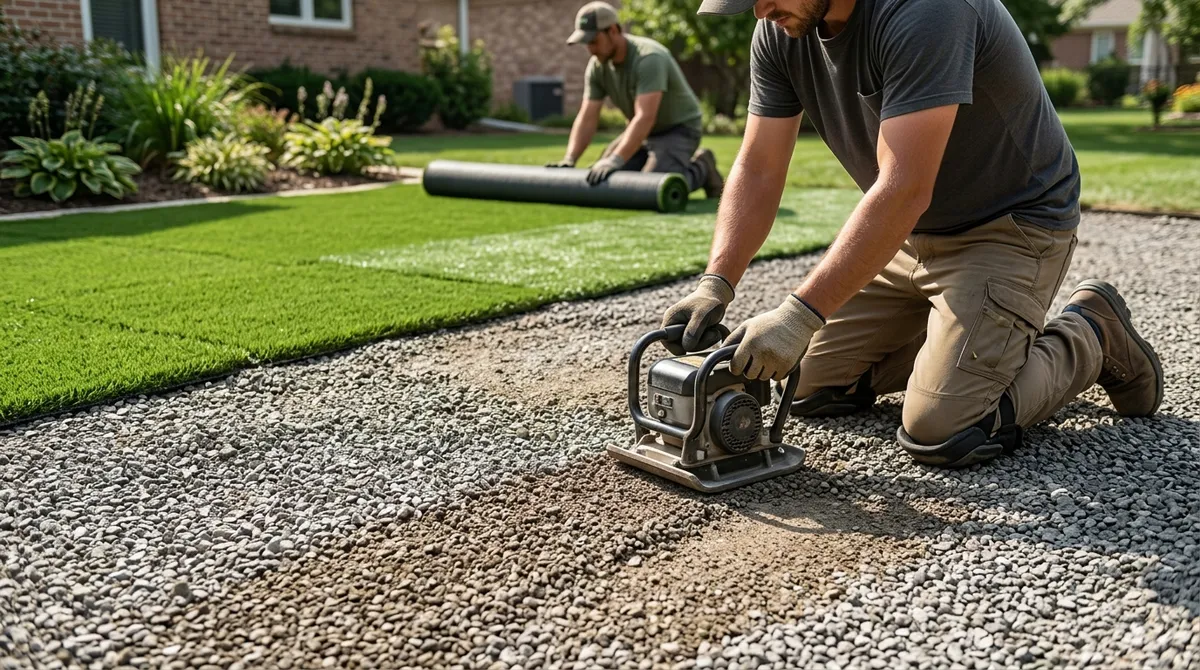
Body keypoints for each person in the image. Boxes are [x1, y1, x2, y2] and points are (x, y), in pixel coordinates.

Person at [661, 0, 1163, 467]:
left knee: (944, 427)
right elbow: (759, 168)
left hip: (1009, 226)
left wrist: (798, 316)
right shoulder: (780, 27)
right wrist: (717, 282)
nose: (759, 10)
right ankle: (966, 333)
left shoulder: (926, 10)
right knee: (807, 382)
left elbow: (904, 189)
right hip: (908, 235)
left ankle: (1093, 332)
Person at [549, 1, 726, 198]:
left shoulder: (648, 58)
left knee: (653, 186)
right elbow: (587, 116)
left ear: (614, 30)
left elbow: (645, 116)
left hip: (679, 129)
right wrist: (570, 159)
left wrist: (617, 159)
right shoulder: (597, 67)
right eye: (586, 43)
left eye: (594, 41)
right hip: (644, 132)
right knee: (605, 179)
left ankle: (703, 166)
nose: (590, 49)